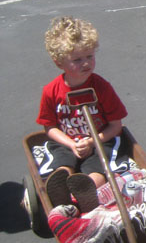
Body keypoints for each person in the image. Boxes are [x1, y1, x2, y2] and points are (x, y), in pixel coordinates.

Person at [37, 16, 128, 213]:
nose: (86, 63)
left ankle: (86, 188)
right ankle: (61, 186)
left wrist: (92, 142)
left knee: (99, 164)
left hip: (99, 139)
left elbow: (116, 125)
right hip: (67, 141)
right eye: (77, 60)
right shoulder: (51, 91)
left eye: (90, 57)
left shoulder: (101, 88)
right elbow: (50, 127)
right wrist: (71, 144)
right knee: (60, 160)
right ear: (59, 62)